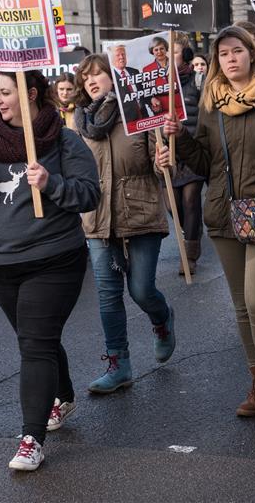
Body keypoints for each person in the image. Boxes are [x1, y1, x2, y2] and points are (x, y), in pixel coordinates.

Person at [0, 70, 99, 472]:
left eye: (5, 92)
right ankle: (62, 393)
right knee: (37, 339)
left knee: (34, 343)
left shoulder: (63, 139)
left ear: (30, 94)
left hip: (53, 259)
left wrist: (52, 183)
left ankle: (32, 438)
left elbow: (89, 194)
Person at [158, 25, 255, 425]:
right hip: (223, 214)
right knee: (240, 306)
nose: (231, 59)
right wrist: (179, 140)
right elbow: (205, 163)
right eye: (223, 54)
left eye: (237, 51)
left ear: (252, 53)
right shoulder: (211, 104)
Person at [73, 53, 176, 394]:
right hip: (98, 218)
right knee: (108, 295)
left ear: (113, 77)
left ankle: (162, 319)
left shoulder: (138, 111)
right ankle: (119, 365)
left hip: (140, 212)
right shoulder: (80, 122)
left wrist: (164, 160)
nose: (91, 80)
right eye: (85, 76)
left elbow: (164, 168)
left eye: (97, 73)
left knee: (141, 290)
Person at [163, 33, 206, 276]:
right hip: (168, 151)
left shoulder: (198, 81)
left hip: (192, 150)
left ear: (186, 55)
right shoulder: (157, 83)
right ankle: (191, 231)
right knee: (172, 204)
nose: (170, 57)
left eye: (175, 52)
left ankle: (189, 255)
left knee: (190, 201)